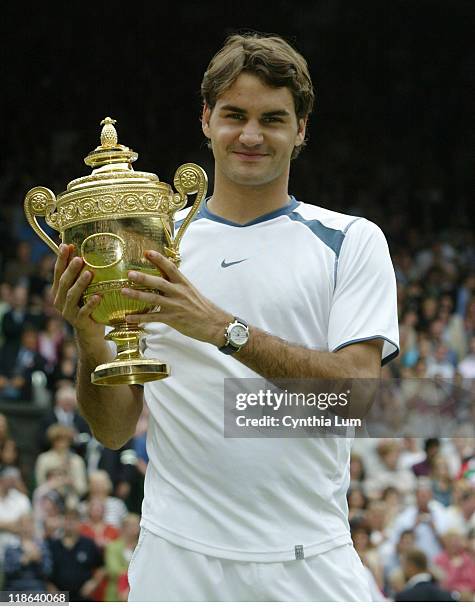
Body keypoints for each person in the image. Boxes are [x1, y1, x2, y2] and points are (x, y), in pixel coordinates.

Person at [51, 33, 399, 602]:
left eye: (274, 119)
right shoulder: (152, 242)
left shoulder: (351, 241)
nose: (252, 135)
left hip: (309, 559)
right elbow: (114, 431)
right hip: (177, 562)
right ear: (207, 120)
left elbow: (355, 398)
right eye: (235, 115)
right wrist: (91, 344)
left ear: (301, 129)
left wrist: (221, 330)